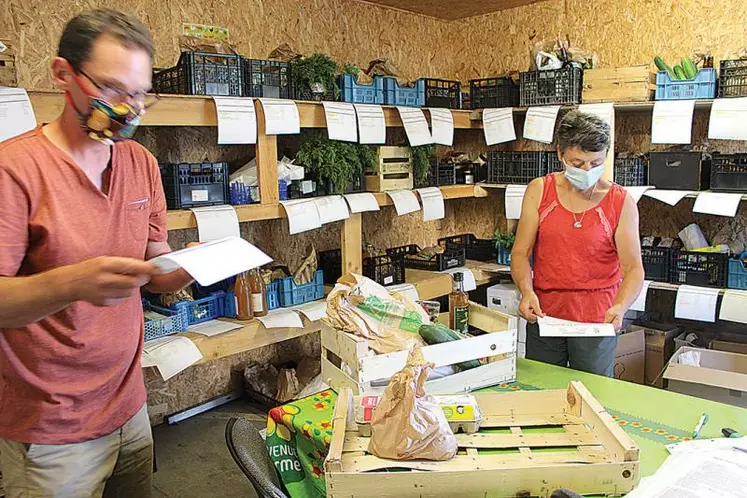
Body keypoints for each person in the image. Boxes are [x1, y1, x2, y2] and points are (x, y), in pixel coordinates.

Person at [0, 9, 193, 497]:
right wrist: (73, 284)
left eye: (139, 94)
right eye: (111, 89)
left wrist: (179, 268)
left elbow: (154, 255)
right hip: (52, 427)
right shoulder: (14, 170)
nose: (128, 108)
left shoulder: (140, 161)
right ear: (63, 74)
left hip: (128, 405)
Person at [510, 111, 644, 377]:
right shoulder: (540, 190)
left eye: (596, 163)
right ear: (560, 153)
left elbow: (634, 269)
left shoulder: (620, 201)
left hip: (597, 319)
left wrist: (621, 306)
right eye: (578, 162)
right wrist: (526, 291)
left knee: (591, 395)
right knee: (542, 388)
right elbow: (520, 253)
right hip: (545, 315)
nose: (587, 171)